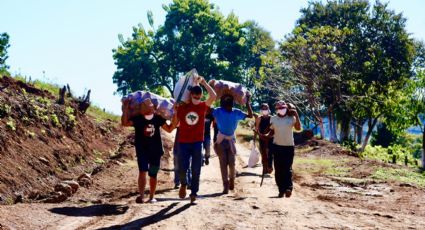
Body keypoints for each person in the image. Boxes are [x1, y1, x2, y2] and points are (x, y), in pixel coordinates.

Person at [121, 99, 176, 203]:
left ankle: (151, 196)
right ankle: (142, 196)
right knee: (142, 171)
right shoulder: (138, 119)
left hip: (155, 151)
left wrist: (176, 115)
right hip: (142, 150)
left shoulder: (157, 119)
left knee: (153, 174)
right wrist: (126, 108)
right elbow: (125, 123)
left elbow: (169, 129)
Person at [173, 76, 216, 203]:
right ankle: (183, 184)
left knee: (196, 169)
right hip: (184, 142)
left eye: (199, 96)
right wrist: (175, 111)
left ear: (201, 96)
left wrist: (203, 82)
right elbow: (175, 124)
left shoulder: (202, 106)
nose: (197, 98)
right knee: (182, 168)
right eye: (195, 96)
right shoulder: (182, 107)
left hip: (198, 142)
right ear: (190, 94)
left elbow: (213, 96)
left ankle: (194, 193)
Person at [213, 94, 253, 194]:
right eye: (227, 104)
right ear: (223, 104)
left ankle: (231, 179)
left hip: (231, 140)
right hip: (221, 140)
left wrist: (247, 102)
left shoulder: (236, 112)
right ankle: (225, 185)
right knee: (223, 163)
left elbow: (250, 115)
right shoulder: (218, 111)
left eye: (230, 104)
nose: (229, 107)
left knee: (232, 163)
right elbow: (206, 110)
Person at [261, 101, 301, 198]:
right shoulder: (273, 119)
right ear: (276, 110)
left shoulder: (291, 118)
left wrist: (296, 114)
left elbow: (298, 128)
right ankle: (281, 190)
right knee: (278, 170)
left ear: (286, 108)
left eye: (283, 108)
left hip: (289, 147)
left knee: (287, 169)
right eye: (279, 108)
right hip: (277, 146)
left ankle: (288, 188)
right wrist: (266, 136)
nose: (281, 110)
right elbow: (272, 131)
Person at [254, 103, 273, 174]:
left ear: (269, 109)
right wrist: (255, 138)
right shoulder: (259, 118)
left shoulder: (272, 118)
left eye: (266, 108)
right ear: (261, 110)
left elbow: (274, 128)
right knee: (263, 153)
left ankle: (270, 166)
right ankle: (264, 168)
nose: (265, 110)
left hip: (270, 138)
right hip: (262, 138)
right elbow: (256, 129)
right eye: (263, 109)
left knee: (270, 152)